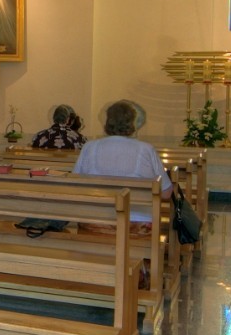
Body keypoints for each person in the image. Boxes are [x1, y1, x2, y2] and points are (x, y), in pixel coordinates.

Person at [74, 99, 173, 238]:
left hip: (95, 222)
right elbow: (166, 193)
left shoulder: (90, 147)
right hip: (137, 224)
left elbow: (76, 185)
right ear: (132, 123)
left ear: (107, 122)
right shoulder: (146, 149)